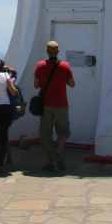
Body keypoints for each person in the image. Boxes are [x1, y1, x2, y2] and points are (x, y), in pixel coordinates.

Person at [33, 41, 75, 172]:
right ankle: (58, 152)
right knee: (63, 132)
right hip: (61, 104)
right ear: (58, 51)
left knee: (45, 134)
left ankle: (51, 161)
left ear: (47, 51)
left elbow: (36, 85)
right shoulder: (65, 66)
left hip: (46, 105)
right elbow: (72, 84)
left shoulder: (40, 66)